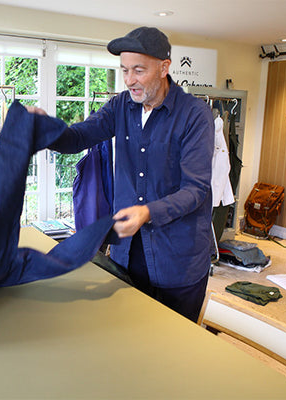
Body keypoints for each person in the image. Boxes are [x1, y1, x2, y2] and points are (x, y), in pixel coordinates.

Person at [27, 26, 214, 322]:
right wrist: (47, 129)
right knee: (131, 337)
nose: (129, 80)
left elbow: (195, 190)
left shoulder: (195, 115)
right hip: (129, 253)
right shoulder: (120, 107)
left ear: (164, 67)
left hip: (178, 259)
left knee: (174, 352)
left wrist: (148, 212)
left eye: (138, 71)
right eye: (124, 70)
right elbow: (78, 138)